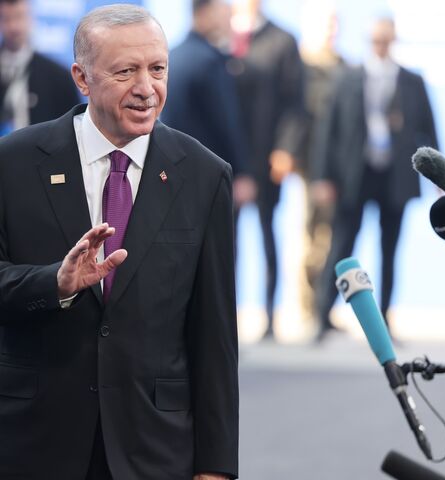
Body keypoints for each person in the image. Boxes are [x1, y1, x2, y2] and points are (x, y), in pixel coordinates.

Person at [0, 4, 238, 480]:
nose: (146, 88)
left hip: (155, 448)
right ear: (82, 78)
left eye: (157, 69)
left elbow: (214, 336)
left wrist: (216, 466)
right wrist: (57, 283)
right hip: (34, 444)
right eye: (126, 71)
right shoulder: (14, 163)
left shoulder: (206, 175)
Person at [311, 17, 438, 341]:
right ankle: (322, 315)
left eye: (386, 39)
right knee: (341, 244)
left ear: (393, 40)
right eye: (376, 39)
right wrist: (324, 176)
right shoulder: (348, 78)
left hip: (395, 176)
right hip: (355, 175)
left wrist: (439, 176)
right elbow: (329, 130)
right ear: (369, 41)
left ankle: (384, 318)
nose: (381, 45)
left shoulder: (412, 81)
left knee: (389, 249)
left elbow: (428, 129)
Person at [230, 0, 305, 339]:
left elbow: (295, 104)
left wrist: (285, 149)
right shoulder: (222, 37)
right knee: (223, 241)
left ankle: (270, 318)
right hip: (227, 158)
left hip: (266, 160)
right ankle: (224, 317)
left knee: (266, 234)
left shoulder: (282, 40)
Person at [162, 0, 255, 211]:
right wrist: (241, 172)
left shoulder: (170, 57)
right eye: (225, 14)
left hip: (173, 173)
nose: (229, 22)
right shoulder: (210, 62)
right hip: (211, 175)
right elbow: (226, 122)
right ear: (206, 13)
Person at [297, 0, 346, 325]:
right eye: (325, 22)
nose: (331, 29)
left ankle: (324, 309)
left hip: (338, 166)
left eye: (334, 22)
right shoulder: (302, 66)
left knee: (331, 236)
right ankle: (308, 307)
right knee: (311, 236)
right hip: (309, 167)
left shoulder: (345, 66)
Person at [0, 0, 79, 135]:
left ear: (31, 18)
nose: (13, 26)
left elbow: (73, 130)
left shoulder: (58, 76)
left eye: (19, 17)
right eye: (6, 19)